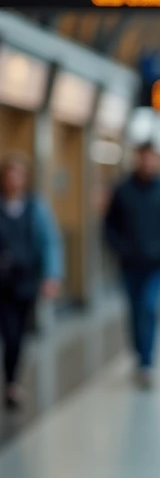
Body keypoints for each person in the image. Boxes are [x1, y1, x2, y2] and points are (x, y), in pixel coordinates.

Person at [103, 142, 160, 387]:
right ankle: (139, 354)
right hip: (128, 263)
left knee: (149, 308)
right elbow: (109, 225)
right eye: (143, 158)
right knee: (134, 310)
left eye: (152, 158)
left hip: (156, 263)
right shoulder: (123, 189)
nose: (147, 163)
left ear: (157, 160)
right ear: (137, 158)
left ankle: (147, 362)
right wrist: (120, 247)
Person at [0, 152, 62, 410]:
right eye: (9, 173)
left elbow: (50, 242)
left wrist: (52, 275)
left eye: (18, 173)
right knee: (7, 331)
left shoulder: (36, 208)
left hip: (24, 282)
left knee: (15, 335)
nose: (14, 179)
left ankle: (12, 381)